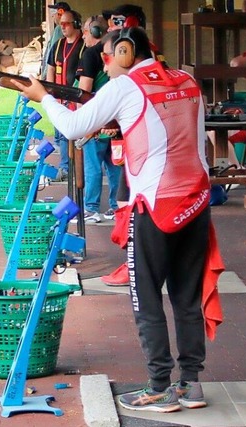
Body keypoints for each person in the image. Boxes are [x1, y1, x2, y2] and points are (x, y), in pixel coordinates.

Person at [11, 26, 223, 413]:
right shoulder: (188, 80)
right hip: (195, 201)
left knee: (146, 299)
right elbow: (177, 132)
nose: (105, 65)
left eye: (108, 56)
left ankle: (159, 387)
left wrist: (43, 97)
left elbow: (73, 128)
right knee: (187, 298)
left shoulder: (126, 87)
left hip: (153, 205)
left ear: (125, 51)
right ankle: (191, 384)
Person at [99, 3, 163, 286]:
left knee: (131, 204)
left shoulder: (143, 68)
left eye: (118, 25)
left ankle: (135, 264)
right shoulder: (147, 63)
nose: (113, 30)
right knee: (125, 202)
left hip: (145, 152)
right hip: (132, 145)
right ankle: (134, 261)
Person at [74, 15, 121, 223]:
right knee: (114, 165)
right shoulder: (118, 54)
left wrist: (82, 121)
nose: (83, 35)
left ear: (94, 33)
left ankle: (91, 208)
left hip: (97, 120)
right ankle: (116, 206)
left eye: (85, 31)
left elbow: (83, 92)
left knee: (93, 166)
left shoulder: (91, 55)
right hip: (117, 119)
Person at [45, 9, 85, 181]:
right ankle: (65, 167)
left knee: (79, 136)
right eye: (61, 23)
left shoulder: (84, 46)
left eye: (66, 23)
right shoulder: (58, 45)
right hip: (59, 97)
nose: (62, 27)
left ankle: (78, 169)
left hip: (76, 98)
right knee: (61, 135)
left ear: (75, 24)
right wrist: (50, 92)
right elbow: (51, 68)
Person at [41, 2, 71, 80]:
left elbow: (53, 52)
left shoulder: (59, 29)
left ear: (61, 13)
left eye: (54, 12)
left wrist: (45, 75)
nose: (52, 15)